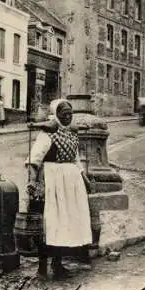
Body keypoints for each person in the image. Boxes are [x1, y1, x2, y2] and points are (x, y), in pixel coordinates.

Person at [25, 99, 93, 280]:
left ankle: (58, 264)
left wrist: (84, 179)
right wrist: (33, 182)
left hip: (70, 185)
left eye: (70, 113)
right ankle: (42, 268)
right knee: (48, 223)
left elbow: (75, 159)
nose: (68, 116)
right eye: (64, 113)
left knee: (65, 223)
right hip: (51, 181)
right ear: (56, 114)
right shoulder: (47, 135)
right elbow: (33, 160)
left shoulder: (72, 134)